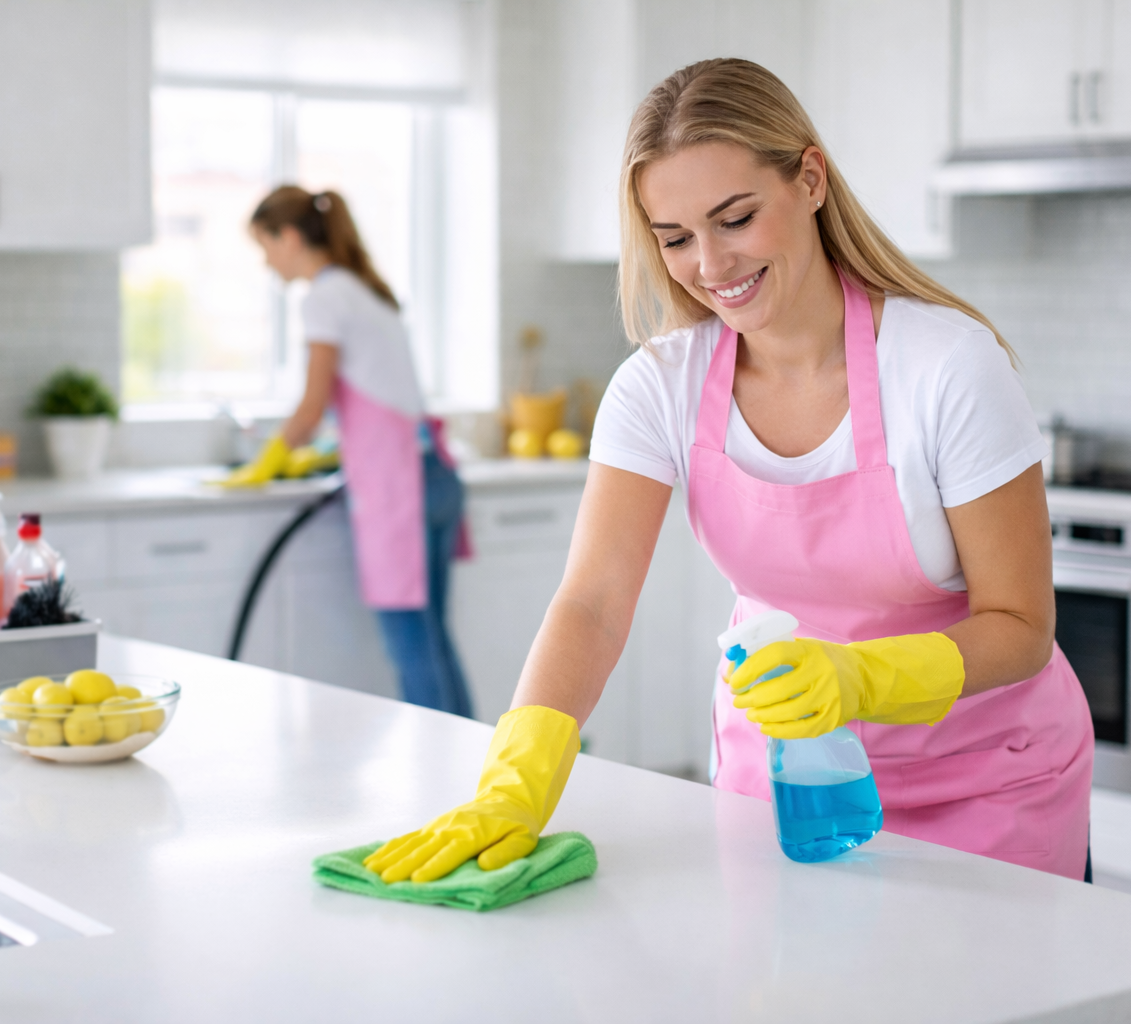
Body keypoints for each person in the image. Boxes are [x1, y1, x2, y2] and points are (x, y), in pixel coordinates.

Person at [362, 58, 1093, 886]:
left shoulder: (945, 366)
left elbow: (1021, 624)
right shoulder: (659, 385)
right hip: (781, 788)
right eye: (674, 238)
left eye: (734, 219)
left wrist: (859, 676)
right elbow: (593, 603)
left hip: (988, 787)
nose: (709, 265)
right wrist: (515, 783)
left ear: (810, 179)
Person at [231, 185, 473, 718]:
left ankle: (441, 782)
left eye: (265, 246)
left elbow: (312, 404)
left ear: (289, 237)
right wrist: (314, 454)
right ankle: (478, 774)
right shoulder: (363, 290)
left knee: (410, 644)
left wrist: (265, 463)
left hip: (399, 489)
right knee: (433, 637)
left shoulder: (323, 296)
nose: (267, 263)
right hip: (433, 473)